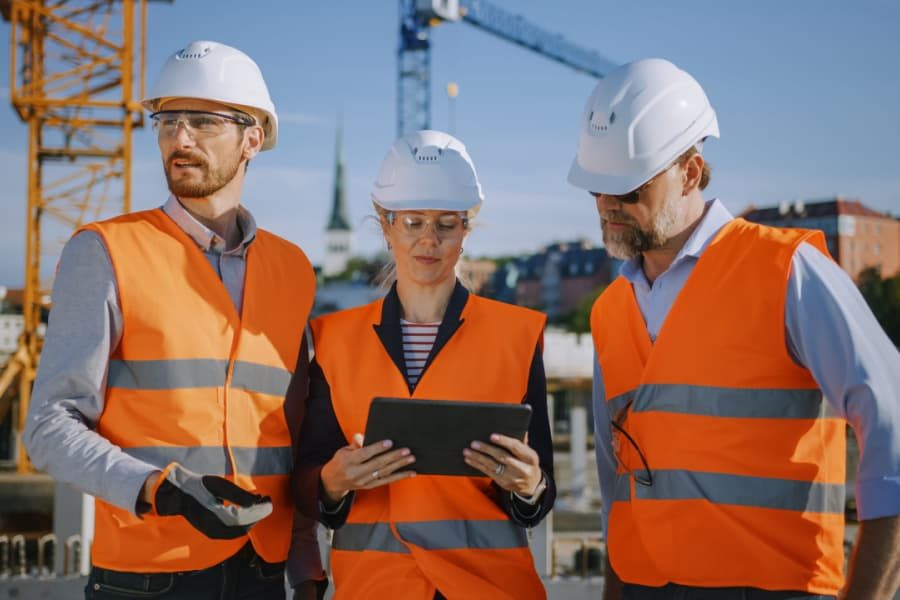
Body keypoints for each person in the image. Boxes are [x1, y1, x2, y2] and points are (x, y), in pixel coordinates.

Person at [567, 58, 900, 600]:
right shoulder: (609, 309)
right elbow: (618, 484)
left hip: (776, 588)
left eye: (628, 190)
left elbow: (893, 423)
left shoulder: (785, 270)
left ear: (691, 173)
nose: (608, 207)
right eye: (595, 191)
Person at [23, 41, 325, 599]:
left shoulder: (293, 269)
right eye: (167, 121)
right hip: (145, 578)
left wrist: (306, 571)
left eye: (203, 122)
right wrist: (157, 489)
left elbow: (293, 433)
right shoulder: (105, 252)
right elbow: (48, 426)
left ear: (252, 139)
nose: (179, 139)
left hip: (264, 572)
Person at [292, 130, 555, 599]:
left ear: (466, 228)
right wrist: (332, 484)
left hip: (489, 589)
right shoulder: (332, 339)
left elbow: (540, 492)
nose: (428, 240)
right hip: (375, 589)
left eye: (446, 224)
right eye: (413, 222)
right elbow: (307, 480)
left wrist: (528, 486)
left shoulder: (517, 336)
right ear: (385, 223)